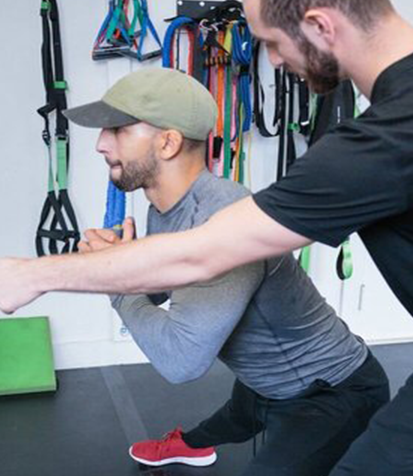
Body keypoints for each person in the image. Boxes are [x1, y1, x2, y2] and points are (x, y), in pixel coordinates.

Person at [0, 0, 413, 475]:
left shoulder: (378, 148)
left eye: (273, 44)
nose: (275, 62)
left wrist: (36, 274)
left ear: (320, 24)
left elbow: (198, 261)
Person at [40, 67, 389, 475]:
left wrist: (115, 282)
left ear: (168, 142)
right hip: (263, 382)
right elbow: (162, 289)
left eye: (116, 129)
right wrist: (124, 262)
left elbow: (182, 361)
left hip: (330, 393)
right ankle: (189, 445)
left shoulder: (222, 214)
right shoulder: (165, 209)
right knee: (238, 415)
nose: (100, 144)